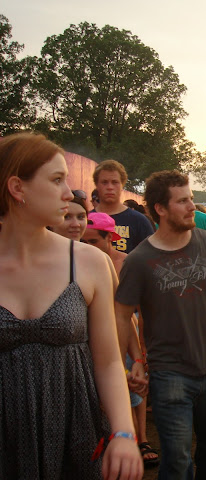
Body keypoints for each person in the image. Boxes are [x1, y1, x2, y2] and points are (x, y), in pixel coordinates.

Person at [0, 133, 142, 479]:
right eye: (56, 180)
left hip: (77, 429)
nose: (70, 193)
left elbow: (108, 361)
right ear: (18, 188)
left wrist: (124, 433)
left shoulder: (88, 262)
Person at [115, 170, 206, 479]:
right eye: (183, 201)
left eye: (191, 198)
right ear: (160, 209)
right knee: (177, 461)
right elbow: (121, 315)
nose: (192, 206)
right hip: (169, 374)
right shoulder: (138, 260)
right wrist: (134, 358)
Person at [82, 212, 160, 468]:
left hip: (124, 332)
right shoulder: (76, 262)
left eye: (93, 241)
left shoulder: (126, 263)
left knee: (134, 388)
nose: (86, 246)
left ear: (110, 239)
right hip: (88, 337)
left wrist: (140, 350)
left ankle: (140, 437)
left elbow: (134, 310)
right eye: (85, 241)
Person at [93, 159, 154, 253]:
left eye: (114, 182)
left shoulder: (139, 221)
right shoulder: (85, 219)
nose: (110, 187)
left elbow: (150, 257)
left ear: (122, 185)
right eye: (104, 182)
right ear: (97, 185)